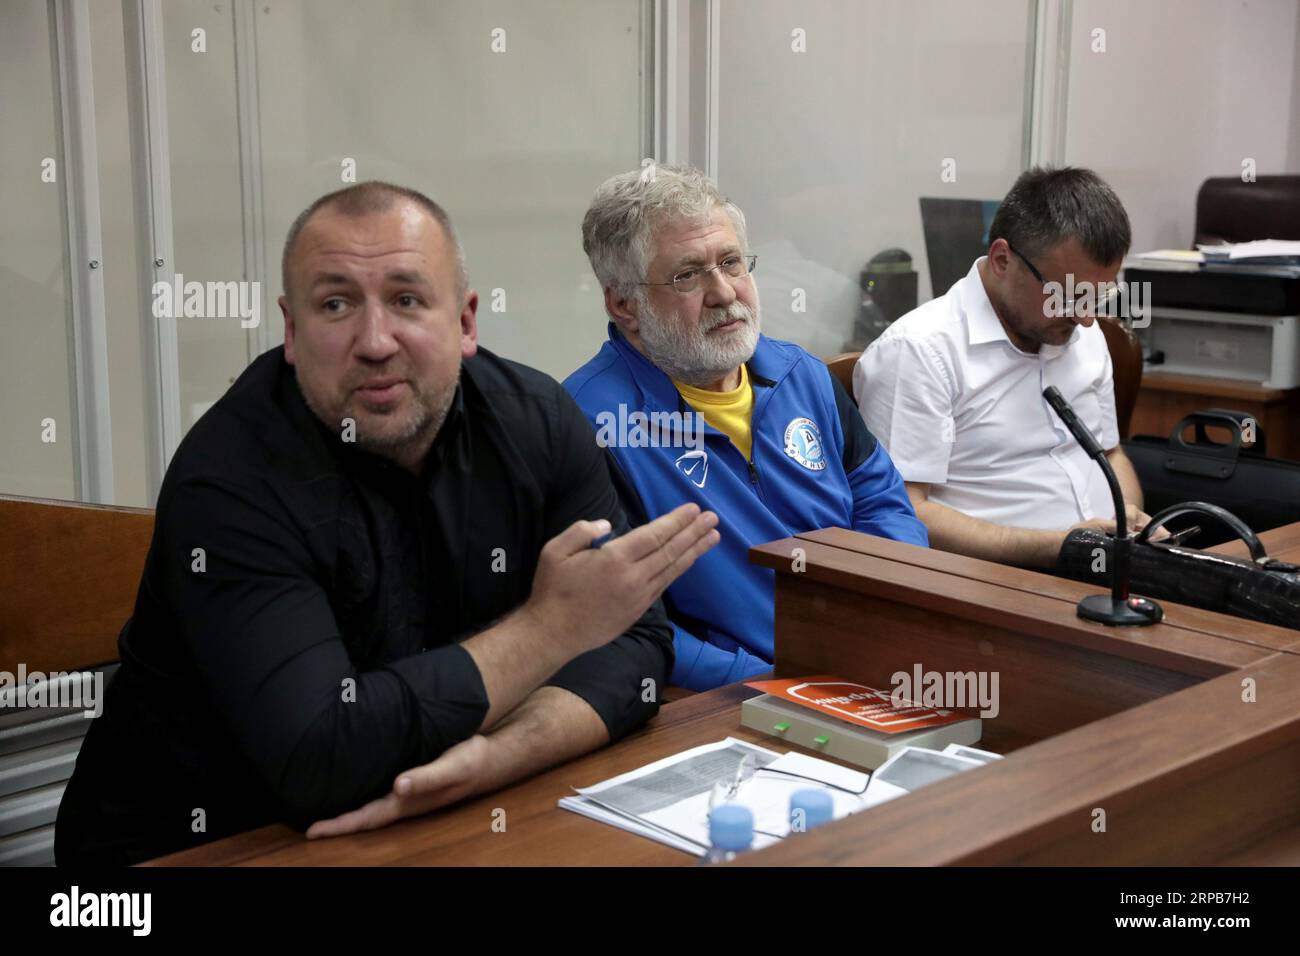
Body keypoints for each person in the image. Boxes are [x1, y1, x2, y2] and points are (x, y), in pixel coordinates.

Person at [55, 182, 718, 865]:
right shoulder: (228, 479)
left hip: (443, 818)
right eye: (335, 304)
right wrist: (551, 628)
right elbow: (320, 758)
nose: (374, 342)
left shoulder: (537, 420)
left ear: (465, 322)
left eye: (406, 299)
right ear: (290, 330)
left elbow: (635, 645)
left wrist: (492, 758)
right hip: (206, 848)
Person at [564, 164, 927, 692]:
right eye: (688, 275)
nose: (724, 292)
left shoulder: (802, 376)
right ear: (625, 305)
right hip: (730, 700)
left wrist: (882, 616)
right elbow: (624, 624)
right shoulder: (592, 424)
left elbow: (882, 501)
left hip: (872, 661)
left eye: (731, 262)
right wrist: (779, 683)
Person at [855, 166, 1151, 569]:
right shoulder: (920, 352)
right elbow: (904, 511)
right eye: (1066, 296)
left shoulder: (1084, 332)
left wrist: (1127, 523)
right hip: (999, 585)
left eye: (1097, 297)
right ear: (1001, 259)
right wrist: (1058, 544)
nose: (1084, 318)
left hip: (1108, 568)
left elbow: (1111, 453)